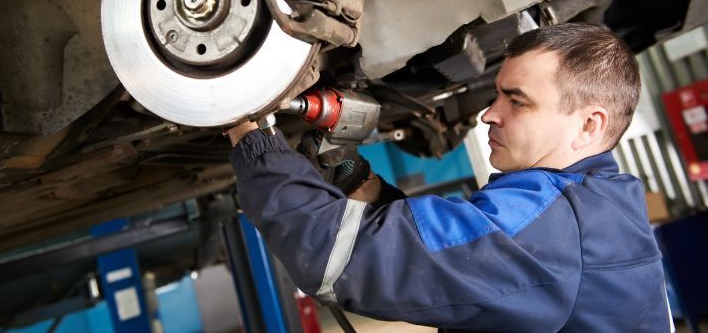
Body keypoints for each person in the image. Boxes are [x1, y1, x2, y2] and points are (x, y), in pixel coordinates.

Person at [227, 23, 671, 332]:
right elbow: (462, 253)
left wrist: (249, 135)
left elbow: (336, 258)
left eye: (517, 102)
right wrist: (366, 189)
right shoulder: (598, 206)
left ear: (589, 125)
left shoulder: (552, 222)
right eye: (497, 94)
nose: (488, 114)